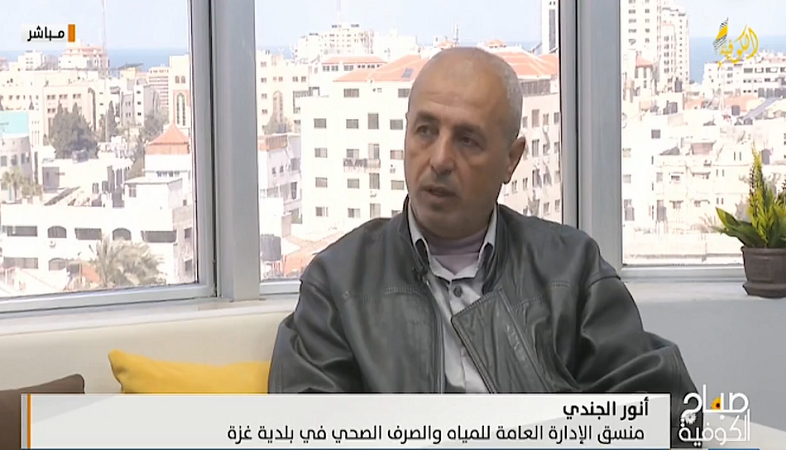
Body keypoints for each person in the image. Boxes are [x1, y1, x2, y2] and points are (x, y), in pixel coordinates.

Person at [269, 47, 699, 447]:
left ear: (511, 159)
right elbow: (303, 432)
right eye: (425, 131)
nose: (439, 159)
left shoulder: (572, 269)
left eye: (467, 140)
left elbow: (667, 417)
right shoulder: (338, 282)